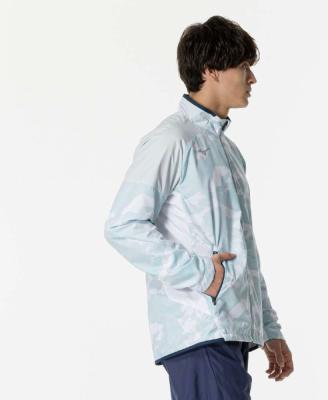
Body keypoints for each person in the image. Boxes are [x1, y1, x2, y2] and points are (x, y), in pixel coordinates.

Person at [104, 15, 294, 399]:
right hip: (199, 328)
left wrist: (269, 328)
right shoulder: (172, 139)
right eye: (243, 67)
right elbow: (123, 225)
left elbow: (244, 251)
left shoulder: (229, 153)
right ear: (211, 70)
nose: (252, 79)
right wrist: (204, 275)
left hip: (232, 332)